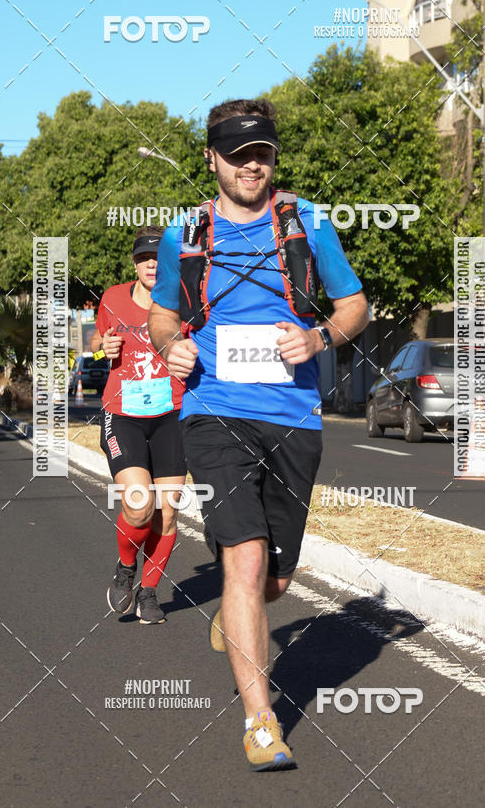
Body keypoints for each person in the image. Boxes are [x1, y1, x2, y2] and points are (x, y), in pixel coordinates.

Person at [148, 99, 369, 768]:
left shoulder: (308, 223)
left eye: (262, 154)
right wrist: (172, 348)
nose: (252, 166)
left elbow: (354, 306)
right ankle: (261, 721)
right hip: (213, 410)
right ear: (211, 158)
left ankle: (239, 609)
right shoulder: (185, 233)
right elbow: (162, 317)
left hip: (293, 416)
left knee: (274, 579)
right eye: (238, 155)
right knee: (242, 558)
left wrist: (319, 338)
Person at [91, 226, 186, 624]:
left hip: (172, 414)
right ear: (134, 264)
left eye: (158, 258)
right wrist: (103, 348)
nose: (151, 265)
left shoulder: (185, 301)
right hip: (123, 414)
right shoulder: (113, 298)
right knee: (138, 504)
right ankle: (126, 567)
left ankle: (148, 592)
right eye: (144, 258)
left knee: (167, 511)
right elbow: (96, 342)